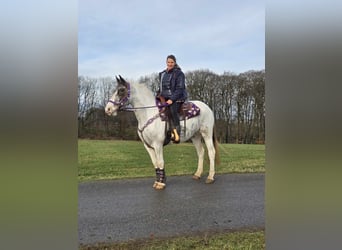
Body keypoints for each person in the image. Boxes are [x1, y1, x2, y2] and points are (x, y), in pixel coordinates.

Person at [157, 55, 188, 143]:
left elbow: (180, 88)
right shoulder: (162, 74)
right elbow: (161, 87)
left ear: (175, 63)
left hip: (177, 97)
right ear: (166, 62)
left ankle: (177, 134)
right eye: (168, 62)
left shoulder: (179, 73)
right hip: (164, 97)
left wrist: (172, 99)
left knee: (173, 110)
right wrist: (158, 94)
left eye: (172, 62)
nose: (170, 64)